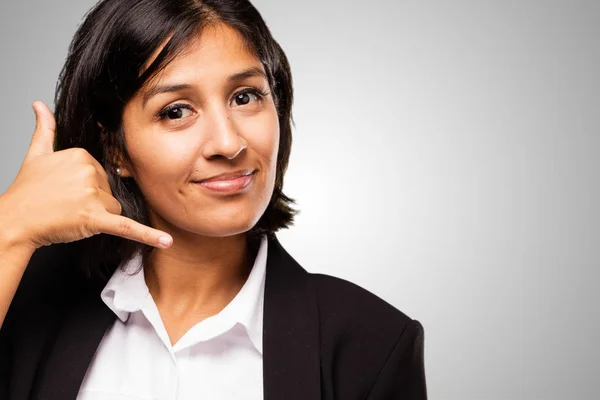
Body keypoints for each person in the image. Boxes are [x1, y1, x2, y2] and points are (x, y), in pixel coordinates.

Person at [0, 0, 427, 398]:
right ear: (115, 150)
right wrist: (8, 231)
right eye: (177, 111)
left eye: (245, 97)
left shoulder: (374, 344)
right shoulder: (23, 298)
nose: (227, 142)